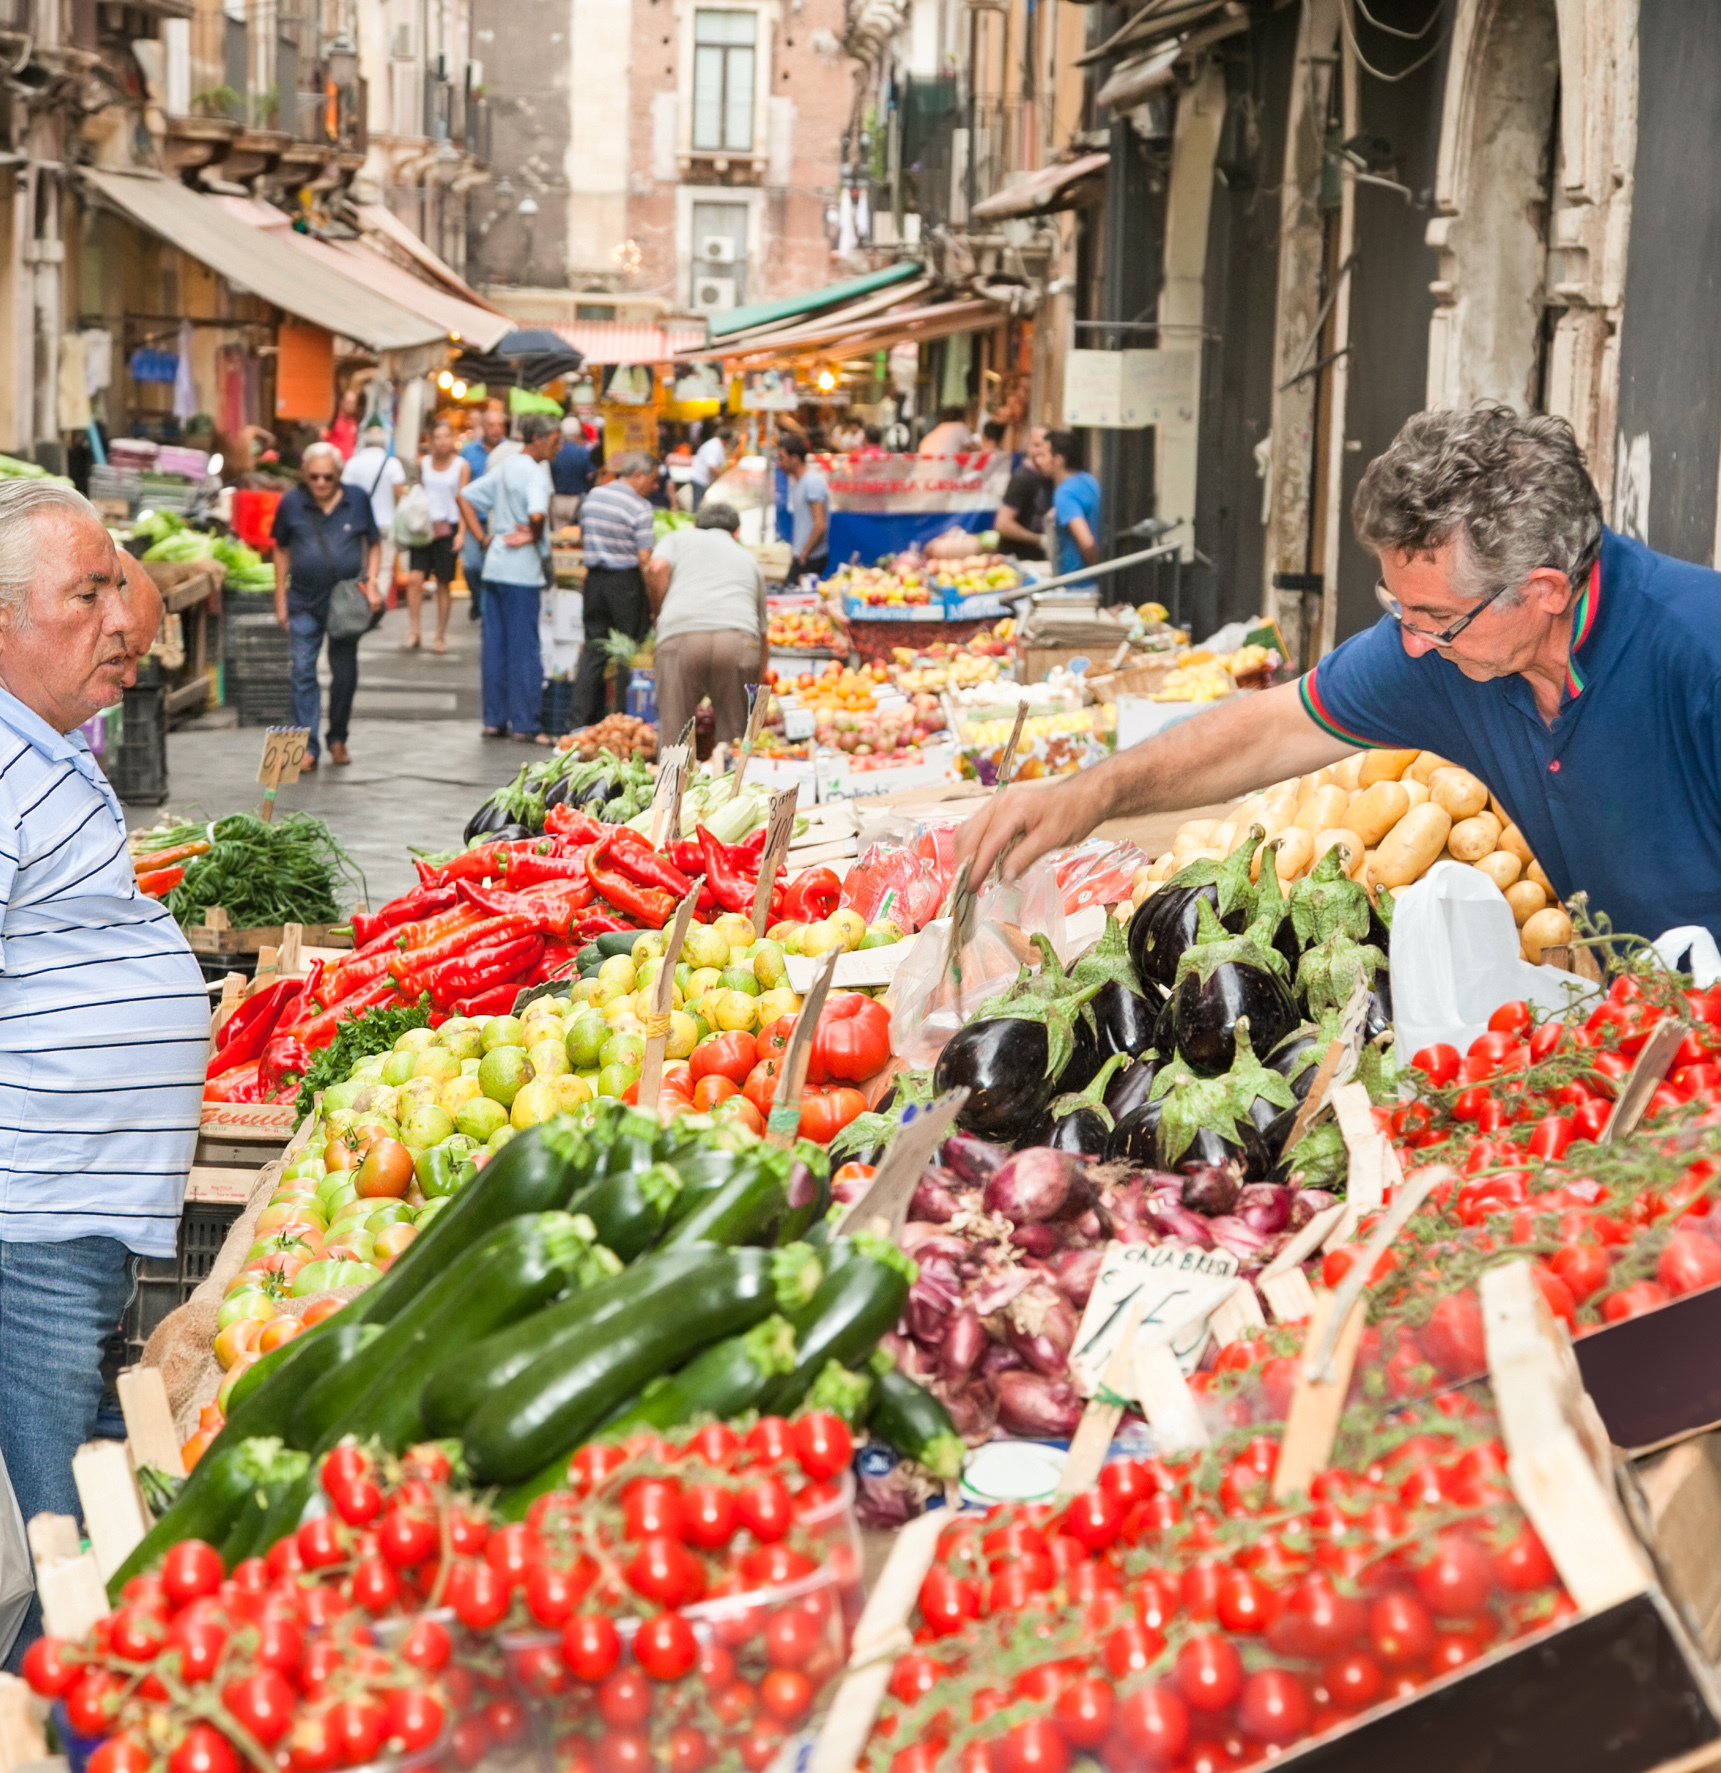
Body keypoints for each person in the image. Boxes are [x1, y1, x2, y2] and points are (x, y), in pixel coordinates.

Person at [956, 403, 1721, 945]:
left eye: (1431, 617)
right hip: (1654, 1039)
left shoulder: (1698, 653)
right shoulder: (1446, 648)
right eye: (1399, 608)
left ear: (1544, 591)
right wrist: (1089, 793)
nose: (1411, 643)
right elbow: (1265, 731)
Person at [0, 485, 207, 1668]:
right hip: (30, 1213)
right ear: (5, 622)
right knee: (52, 1538)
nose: (124, 617)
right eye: (87, 593)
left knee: (67, 1492)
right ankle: (58, 1715)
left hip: (70, 1208)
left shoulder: (49, 749)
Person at [272, 440, 382, 768]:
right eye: (314, 477)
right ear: (305, 474)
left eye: (327, 477)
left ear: (339, 474)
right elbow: (280, 549)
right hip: (304, 600)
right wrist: (279, 596)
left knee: (344, 672)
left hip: (346, 601)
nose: (320, 483)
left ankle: (338, 738)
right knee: (303, 670)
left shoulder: (357, 500)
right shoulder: (291, 502)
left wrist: (372, 584)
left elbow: (374, 544)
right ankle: (306, 748)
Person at [458, 411, 559, 743]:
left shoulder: (507, 467)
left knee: (495, 646)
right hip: (522, 571)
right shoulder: (535, 474)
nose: (557, 448)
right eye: (555, 442)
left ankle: (494, 719)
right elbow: (537, 512)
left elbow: (466, 497)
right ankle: (526, 722)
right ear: (538, 440)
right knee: (524, 647)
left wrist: (484, 538)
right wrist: (533, 532)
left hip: (496, 565)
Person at [647, 501, 767, 747]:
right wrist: (756, 692)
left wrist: (659, 613)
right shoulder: (749, 559)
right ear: (737, 532)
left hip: (681, 635)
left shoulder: (678, 538)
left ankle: (672, 785)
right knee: (733, 740)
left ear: (695, 526)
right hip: (737, 640)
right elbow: (764, 635)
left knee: (674, 739)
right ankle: (731, 779)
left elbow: (657, 568)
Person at [569, 450, 658, 728]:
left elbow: (584, 536)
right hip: (625, 584)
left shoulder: (594, 496)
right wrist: (654, 600)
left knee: (594, 650)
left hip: (594, 581)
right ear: (638, 475)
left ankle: (578, 721)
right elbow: (645, 559)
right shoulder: (640, 508)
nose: (653, 487)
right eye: (651, 481)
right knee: (626, 653)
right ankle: (621, 721)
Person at [405, 418, 468, 654]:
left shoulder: (460, 465)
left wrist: (461, 532)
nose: (442, 442)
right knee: (414, 579)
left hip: (447, 527)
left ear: (452, 439)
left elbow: (464, 500)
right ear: (431, 440)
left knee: (444, 583)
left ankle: (440, 635)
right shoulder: (424, 463)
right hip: (423, 527)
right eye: (437, 437)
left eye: (446, 437)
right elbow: (415, 492)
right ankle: (414, 630)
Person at [341, 425, 406, 608]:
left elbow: (344, 493)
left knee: (361, 565)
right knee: (384, 567)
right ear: (385, 442)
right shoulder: (392, 463)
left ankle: (360, 602)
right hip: (385, 521)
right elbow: (400, 494)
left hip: (358, 522)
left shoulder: (353, 463)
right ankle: (377, 604)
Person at [458, 402, 510, 624]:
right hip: (473, 518)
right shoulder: (469, 451)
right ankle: (478, 600)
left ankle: (485, 608)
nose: (496, 429)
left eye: (500, 425)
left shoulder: (511, 451)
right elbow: (461, 490)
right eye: (491, 425)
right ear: (483, 426)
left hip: (498, 519)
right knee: (471, 566)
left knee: (493, 567)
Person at [1044, 429, 1101, 581]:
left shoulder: (1064, 493)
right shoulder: (1089, 480)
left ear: (1058, 459)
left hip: (1079, 583)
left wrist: (1098, 574)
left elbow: (1087, 542)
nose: (1038, 460)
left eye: (1044, 455)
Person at [995, 426, 1052, 560]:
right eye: (1036, 445)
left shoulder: (1049, 477)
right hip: (1019, 559)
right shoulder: (1022, 477)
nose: (1040, 450)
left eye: (1046, 445)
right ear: (1028, 447)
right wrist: (1039, 540)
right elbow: (1003, 523)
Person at [777, 434, 829, 581]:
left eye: (782, 457)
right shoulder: (797, 482)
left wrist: (805, 553)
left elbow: (820, 524)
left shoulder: (811, 483)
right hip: (804, 555)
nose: (779, 463)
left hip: (811, 558)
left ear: (795, 459)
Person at [689, 425, 734, 510]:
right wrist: (722, 477)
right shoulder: (715, 446)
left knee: (701, 505)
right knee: (699, 506)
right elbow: (711, 466)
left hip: (703, 480)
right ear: (727, 441)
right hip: (700, 479)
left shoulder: (715, 444)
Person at [551, 416, 594, 503]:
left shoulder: (555, 451)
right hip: (578, 499)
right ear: (578, 432)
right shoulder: (584, 452)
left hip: (557, 499)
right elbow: (590, 475)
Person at [326, 386, 361, 461]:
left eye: (353, 403)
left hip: (349, 463)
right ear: (342, 402)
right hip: (336, 463)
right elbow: (324, 436)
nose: (351, 406)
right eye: (348, 402)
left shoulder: (354, 422)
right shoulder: (334, 420)